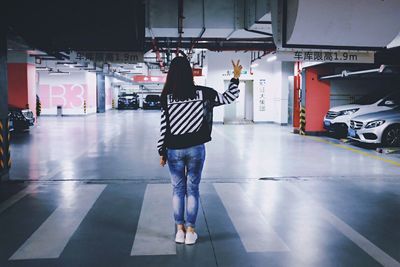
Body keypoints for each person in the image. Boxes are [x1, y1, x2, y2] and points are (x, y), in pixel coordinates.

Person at [157, 56, 242, 245]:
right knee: (193, 189)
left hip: (174, 150)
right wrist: (235, 78)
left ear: (171, 75)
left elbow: (165, 128)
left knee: (178, 190)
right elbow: (229, 97)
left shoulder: (167, 98)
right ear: (189, 72)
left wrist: (161, 152)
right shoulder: (204, 93)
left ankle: (179, 231)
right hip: (196, 149)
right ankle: (191, 231)